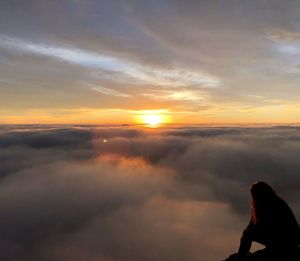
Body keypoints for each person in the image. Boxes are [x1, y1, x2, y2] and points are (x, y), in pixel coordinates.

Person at [235, 181, 300, 261]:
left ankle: (240, 257)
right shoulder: (259, 205)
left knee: (248, 234)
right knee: (247, 233)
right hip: (277, 237)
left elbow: (272, 226)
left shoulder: (275, 204)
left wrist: (251, 232)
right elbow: (252, 224)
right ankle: (241, 256)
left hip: (285, 239)